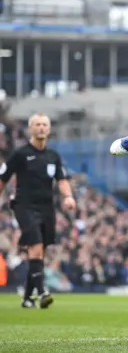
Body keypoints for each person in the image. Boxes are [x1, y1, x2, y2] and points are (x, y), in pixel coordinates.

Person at [0, 113, 76, 308]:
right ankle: (42, 292)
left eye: (44, 125)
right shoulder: (20, 154)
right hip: (24, 206)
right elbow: (3, 177)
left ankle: (27, 298)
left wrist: (68, 196)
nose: (41, 128)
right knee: (35, 245)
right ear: (31, 129)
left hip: (46, 207)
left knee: (39, 252)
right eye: (37, 124)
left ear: (49, 130)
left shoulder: (53, 156)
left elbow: (62, 179)